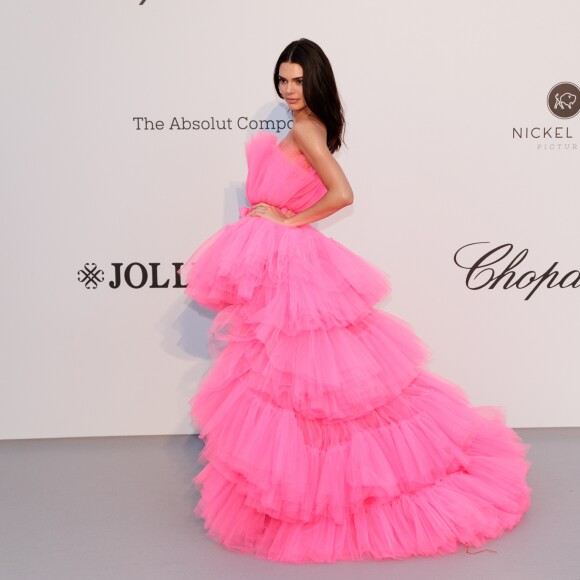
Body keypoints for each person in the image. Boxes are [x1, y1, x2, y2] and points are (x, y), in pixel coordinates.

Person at [179, 38, 532, 564]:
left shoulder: (304, 128)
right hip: (281, 268)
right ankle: (305, 487)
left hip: (291, 265)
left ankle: (322, 491)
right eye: (282, 79)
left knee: (303, 385)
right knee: (297, 386)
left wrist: (285, 221)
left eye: (297, 79)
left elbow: (342, 194)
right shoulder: (306, 126)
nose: (288, 89)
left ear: (316, 79)